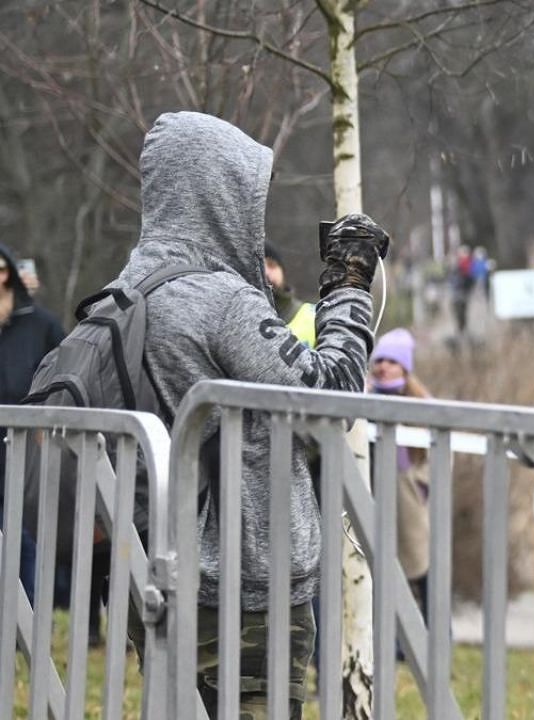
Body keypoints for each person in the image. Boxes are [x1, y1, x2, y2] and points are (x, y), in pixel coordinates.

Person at [118, 111, 388, 719]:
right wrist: (348, 282)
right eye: (247, 192)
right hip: (243, 585)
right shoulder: (217, 299)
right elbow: (331, 393)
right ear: (218, 194)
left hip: (158, 568)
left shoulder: (132, 284)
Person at [0, 244, 65, 606]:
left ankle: (24, 628)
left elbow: (67, 373)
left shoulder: (41, 326)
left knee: (23, 539)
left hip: (27, 448)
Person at [366, 328, 432, 624]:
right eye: (379, 360)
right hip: (374, 492)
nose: (383, 366)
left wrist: (420, 484)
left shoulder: (421, 403)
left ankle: (432, 634)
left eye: (391, 361)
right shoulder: (364, 397)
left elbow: (439, 454)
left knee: (420, 566)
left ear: (404, 366)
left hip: (409, 497)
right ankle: (390, 637)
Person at [264, 242, 317, 347]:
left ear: (282, 271)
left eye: (271, 265)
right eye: (259, 265)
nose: (266, 272)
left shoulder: (315, 317)